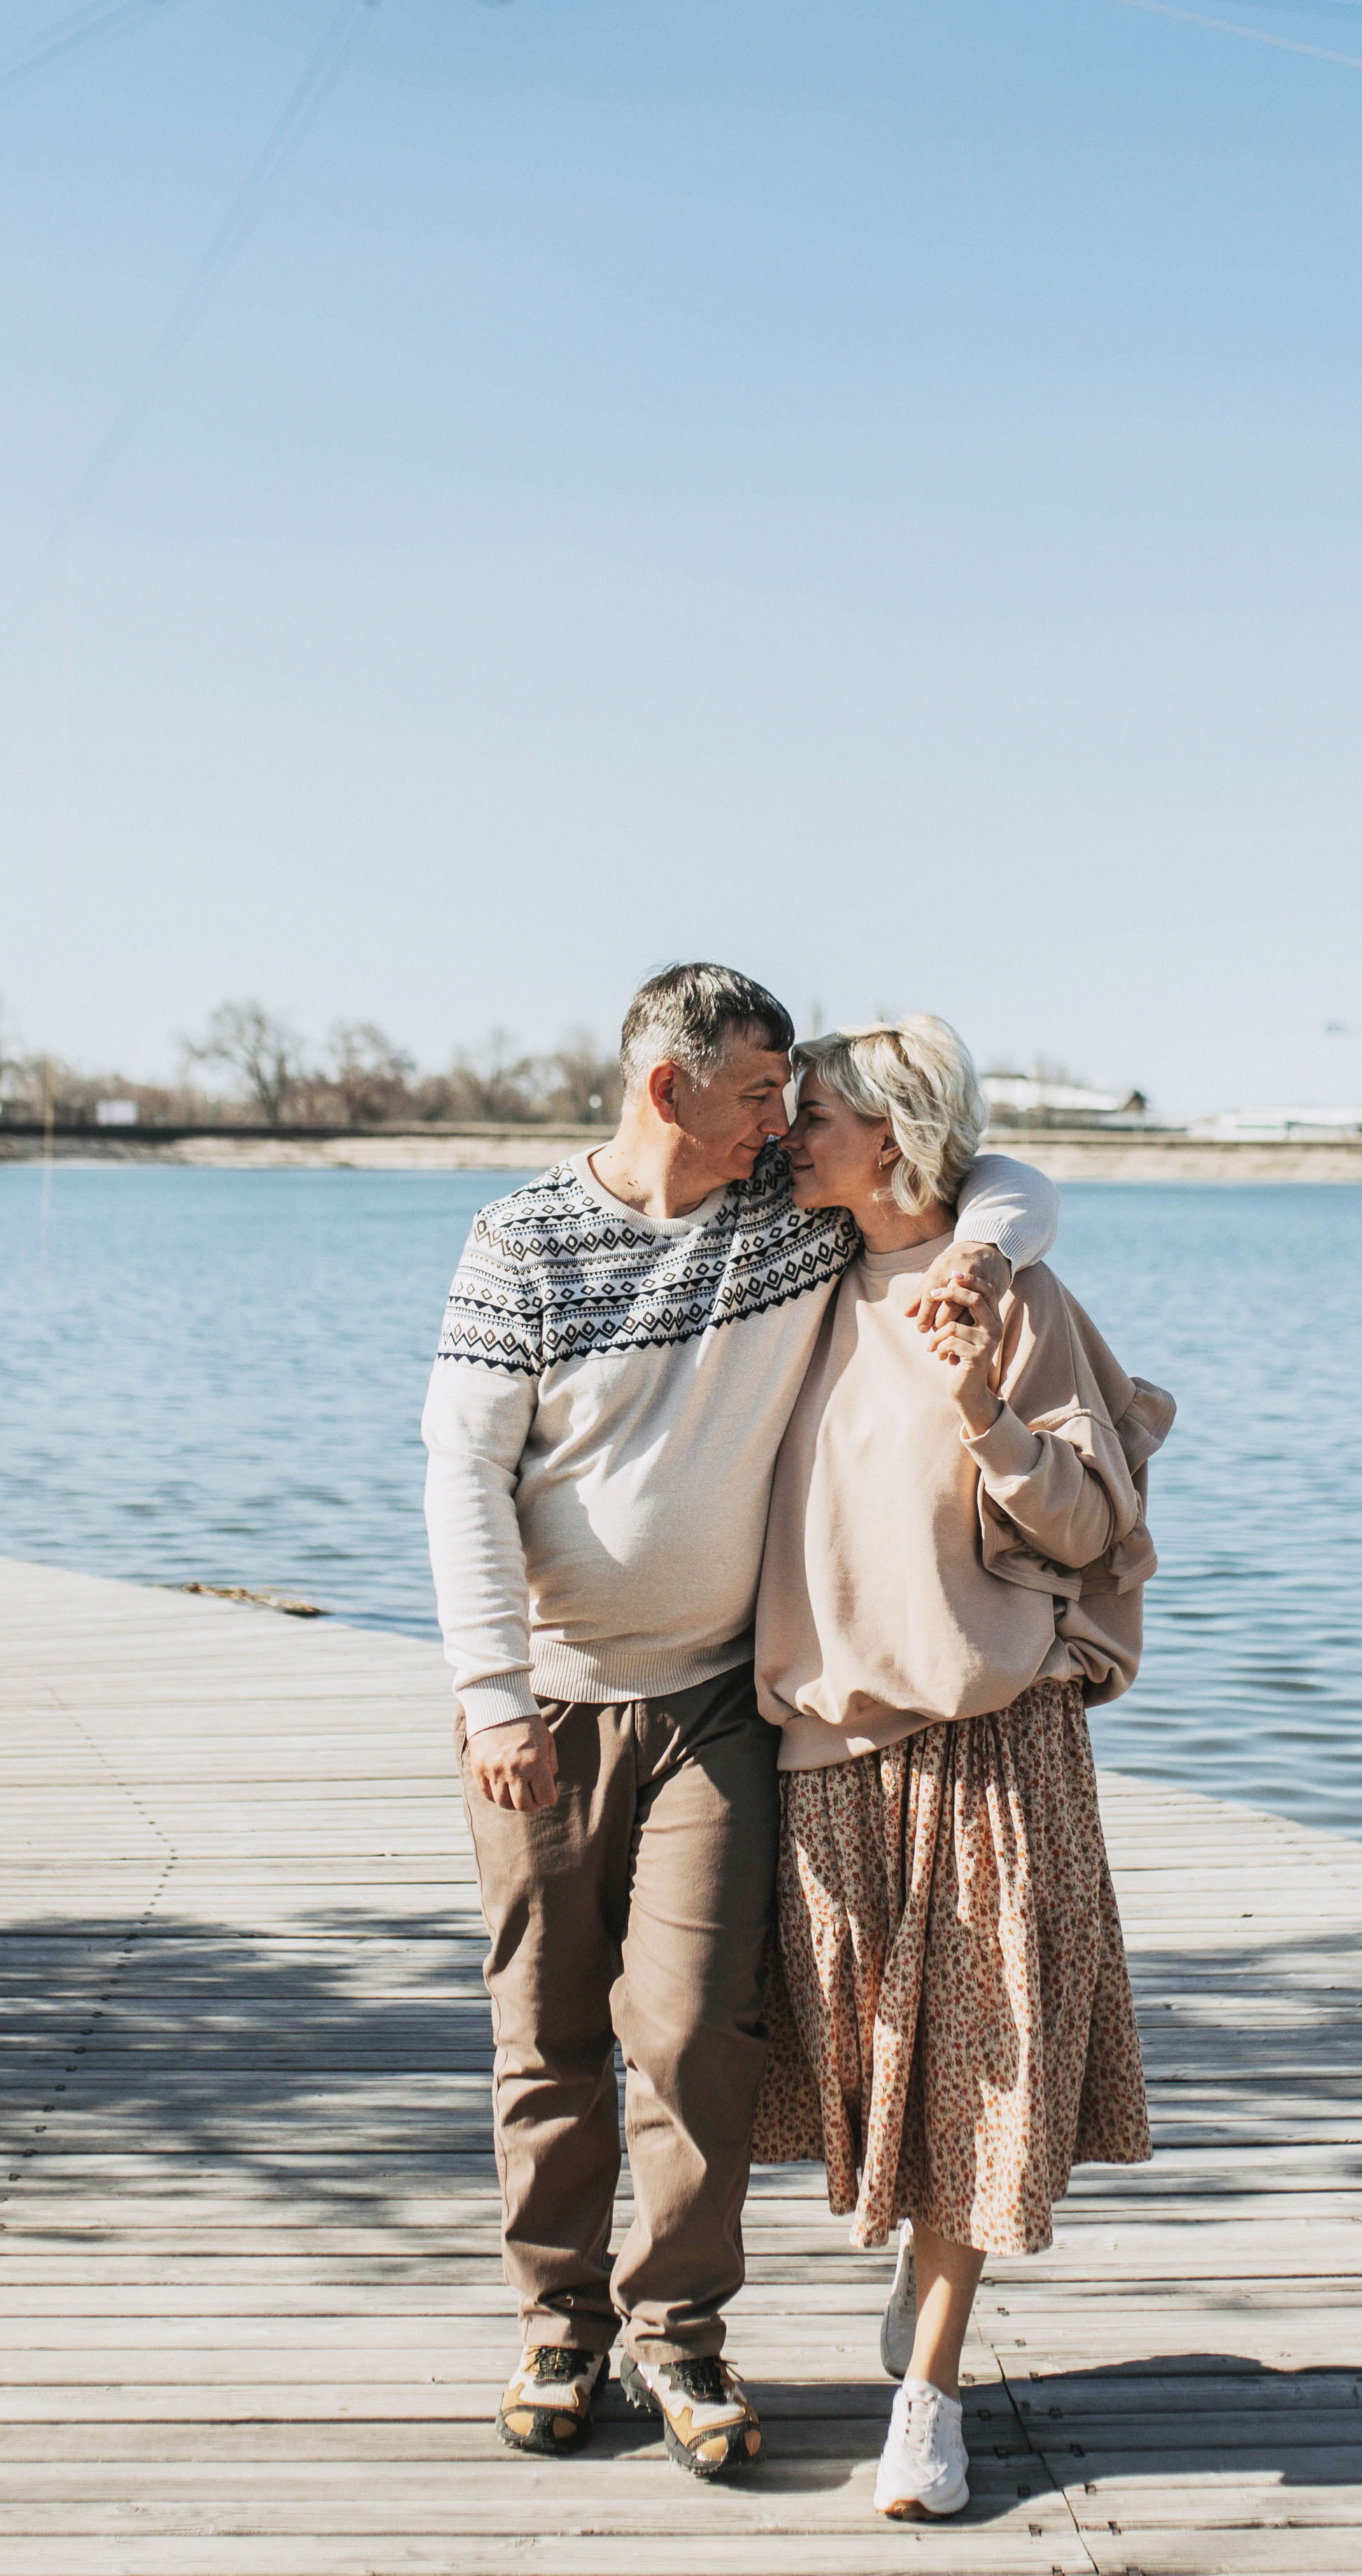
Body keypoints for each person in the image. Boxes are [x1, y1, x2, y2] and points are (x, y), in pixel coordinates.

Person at [421, 963, 1060, 2479]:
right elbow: (461, 1473)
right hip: (548, 1703)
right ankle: (559, 2325)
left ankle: (677, 2335)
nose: (780, 1121)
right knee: (547, 2032)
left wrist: (975, 1260)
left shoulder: (781, 1210)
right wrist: (491, 1696)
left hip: (717, 1700)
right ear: (670, 1088)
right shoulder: (520, 1239)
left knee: (698, 2032)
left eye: (791, 1098)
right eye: (759, 1092)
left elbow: (1007, 1179)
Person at [749, 1014, 1172, 2522]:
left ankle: (927, 2393)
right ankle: (918, 2287)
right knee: (873, 2071)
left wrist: (984, 1411)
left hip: (993, 1747)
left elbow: (1093, 1522)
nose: (789, 1134)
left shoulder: (1012, 1299)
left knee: (981, 2073)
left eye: (816, 1114)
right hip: (823, 1748)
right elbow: (1010, 1181)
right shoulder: (794, 1282)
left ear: (894, 1137)